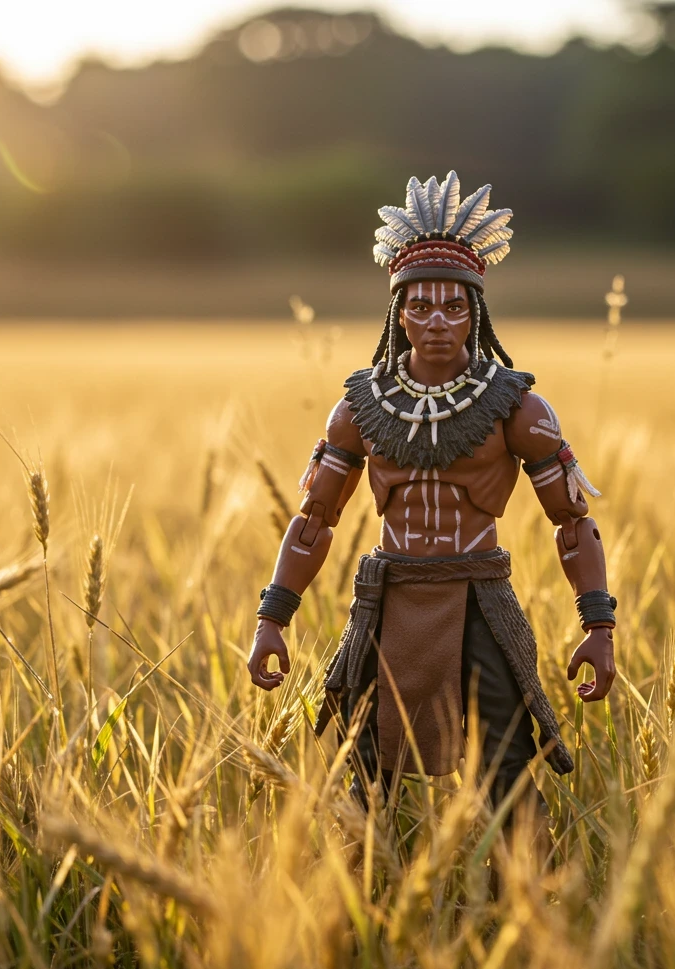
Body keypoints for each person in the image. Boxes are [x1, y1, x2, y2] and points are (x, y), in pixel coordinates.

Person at [248, 170, 617, 828]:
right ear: (398, 312)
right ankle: (365, 904)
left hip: (479, 599)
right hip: (386, 602)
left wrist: (598, 625)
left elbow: (572, 523)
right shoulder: (358, 409)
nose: (438, 322)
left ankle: (518, 905)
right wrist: (272, 616)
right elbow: (314, 521)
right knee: (364, 767)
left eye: (454, 306)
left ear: (477, 311)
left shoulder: (518, 409)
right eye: (420, 306)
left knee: (503, 767)